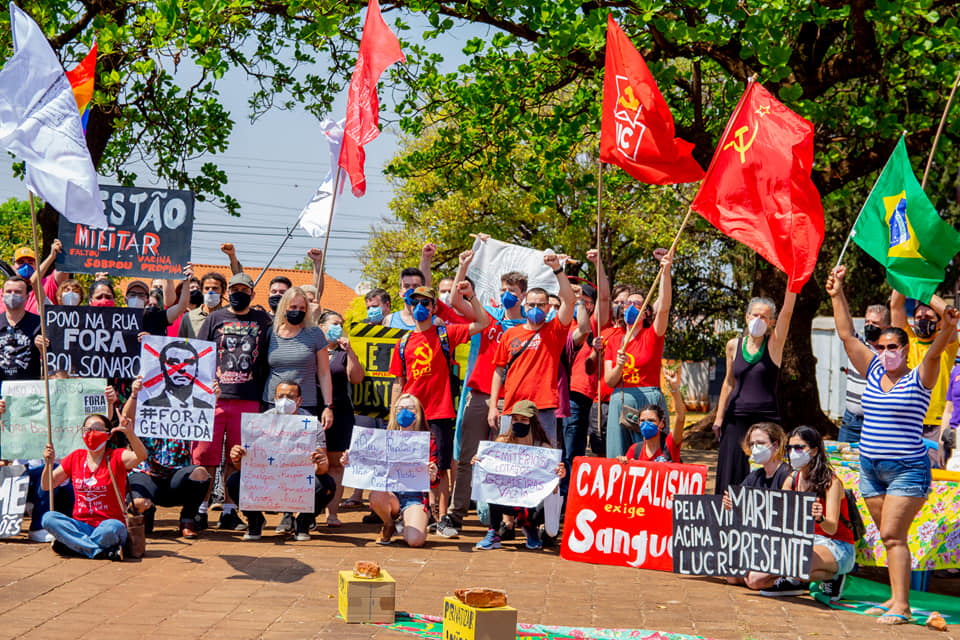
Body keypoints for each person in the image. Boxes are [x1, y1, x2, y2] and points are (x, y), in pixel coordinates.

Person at [828, 265, 955, 624]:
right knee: (890, 541)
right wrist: (837, 293)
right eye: (881, 346)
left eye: (893, 346)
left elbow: (941, 340)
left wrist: (943, 315)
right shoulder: (871, 370)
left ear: (905, 348)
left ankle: (901, 605)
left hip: (907, 469)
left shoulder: (921, 374)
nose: (885, 352)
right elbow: (846, 335)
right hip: (870, 468)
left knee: (891, 533)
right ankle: (896, 601)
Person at [439, 267, 528, 539]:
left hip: (512, 399)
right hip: (479, 394)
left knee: (508, 461)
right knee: (466, 457)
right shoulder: (489, 316)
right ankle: (455, 515)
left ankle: (506, 521)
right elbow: (455, 301)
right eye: (503, 290)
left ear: (523, 295)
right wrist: (463, 266)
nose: (507, 296)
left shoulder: (529, 326)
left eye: (512, 292)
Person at [389, 279, 488, 521]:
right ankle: (412, 511)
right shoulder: (402, 343)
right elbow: (398, 383)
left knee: (441, 468)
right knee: (409, 465)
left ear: (434, 308)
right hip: (411, 415)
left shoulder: (447, 334)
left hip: (440, 411)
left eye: (425, 303)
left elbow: (483, 323)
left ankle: (442, 516)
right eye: (415, 303)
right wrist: (393, 415)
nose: (419, 307)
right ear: (409, 307)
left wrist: (471, 297)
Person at [194, 272, 273, 530]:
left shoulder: (264, 320)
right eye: (235, 289)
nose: (240, 293)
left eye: (245, 289)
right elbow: (198, 353)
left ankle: (229, 510)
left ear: (252, 293)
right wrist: (205, 384)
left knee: (237, 457)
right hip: (213, 399)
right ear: (229, 292)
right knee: (205, 454)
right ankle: (201, 508)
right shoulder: (215, 318)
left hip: (248, 398)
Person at [743, 426, 856, 603]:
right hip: (802, 542)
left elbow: (832, 528)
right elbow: (779, 517)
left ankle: (831, 575)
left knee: (797, 563)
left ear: (814, 450)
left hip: (836, 545)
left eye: (799, 448)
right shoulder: (792, 479)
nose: (793, 453)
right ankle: (799, 579)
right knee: (754, 580)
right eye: (790, 448)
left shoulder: (831, 483)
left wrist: (820, 518)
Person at [227, 381, 336, 541]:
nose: (285, 400)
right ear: (275, 398)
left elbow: (323, 468)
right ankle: (254, 520)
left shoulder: (312, 425)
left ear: (299, 400)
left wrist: (320, 462)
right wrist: (236, 457)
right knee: (234, 481)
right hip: (266, 478)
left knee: (326, 485)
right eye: (281, 396)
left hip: (297, 479)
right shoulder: (260, 421)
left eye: (291, 397)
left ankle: (303, 522)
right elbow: (244, 465)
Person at [713, 288, 796, 495]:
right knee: (731, 473)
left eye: (764, 317)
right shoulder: (733, 345)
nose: (758, 320)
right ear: (747, 317)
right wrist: (719, 418)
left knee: (768, 471)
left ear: (771, 322)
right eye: (755, 315)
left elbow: (787, 313)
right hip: (736, 418)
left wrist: (793, 286)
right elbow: (728, 383)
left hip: (766, 419)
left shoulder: (774, 345)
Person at [488, 252, 576, 446]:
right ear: (524, 306)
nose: (535, 308)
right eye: (532, 304)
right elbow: (498, 370)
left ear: (548, 308)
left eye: (541, 305)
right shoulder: (511, 334)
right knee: (508, 459)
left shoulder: (555, 330)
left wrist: (557, 269)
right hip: (513, 407)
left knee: (544, 459)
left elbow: (570, 301)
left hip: (543, 408)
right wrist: (493, 407)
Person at [40, 413, 147, 559]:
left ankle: (76, 546)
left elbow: (141, 456)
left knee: (111, 529)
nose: (91, 434)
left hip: (109, 525)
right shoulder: (76, 457)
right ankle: (99, 551)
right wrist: (48, 463)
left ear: (108, 435)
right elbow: (47, 485)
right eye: (87, 429)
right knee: (49, 518)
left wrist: (129, 433)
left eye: (97, 429)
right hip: (81, 526)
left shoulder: (116, 456)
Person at [343, 393, 438, 547]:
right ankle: (389, 524)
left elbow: (435, 481)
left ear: (418, 412)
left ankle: (405, 524)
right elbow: (366, 464)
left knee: (415, 541)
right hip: (390, 495)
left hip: (414, 497)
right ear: (394, 412)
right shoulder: (382, 438)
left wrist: (433, 476)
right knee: (376, 494)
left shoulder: (427, 441)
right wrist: (350, 460)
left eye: (409, 408)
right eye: (400, 408)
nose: (404, 411)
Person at [125, 377, 214, 539]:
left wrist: (213, 396)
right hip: (147, 474)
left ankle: (188, 519)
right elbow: (127, 418)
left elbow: (204, 416)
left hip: (176, 479)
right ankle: (145, 513)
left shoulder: (185, 411)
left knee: (201, 474)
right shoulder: (145, 408)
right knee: (138, 503)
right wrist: (134, 394)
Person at [604, 252, 673, 459]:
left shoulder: (652, 335)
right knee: (618, 456)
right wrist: (619, 365)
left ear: (646, 313)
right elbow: (609, 380)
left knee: (651, 454)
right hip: (621, 398)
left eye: (638, 304)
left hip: (648, 398)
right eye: (627, 304)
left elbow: (664, 307)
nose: (631, 307)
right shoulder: (615, 340)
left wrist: (666, 271)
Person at [474, 400, 566, 550]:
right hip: (507, 498)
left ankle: (530, 527)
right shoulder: (502, 442)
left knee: (544, 503)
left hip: (532, 503)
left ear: (533, 422)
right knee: (493, 487)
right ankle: (494, 532)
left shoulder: (543, 448)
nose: (518, 423)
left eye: (524, 420)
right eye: (515, 419)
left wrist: (558, 477)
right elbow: (489, 473)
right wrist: (479, 461)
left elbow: (553, 489)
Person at [891, 290, 959, 468]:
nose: (922, 320)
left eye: (928, 317)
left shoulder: (947, 344)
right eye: (918, 316)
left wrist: (923, 291)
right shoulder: (908, 342)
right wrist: (902, 273)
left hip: (937, 426)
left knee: (936, 481)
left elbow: (949, 313)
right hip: (909, 422)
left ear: (939, 323)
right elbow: (896, 306)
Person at [317, 310, 365, 527]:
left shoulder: (343, 353)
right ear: (322, 327)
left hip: (341, 413)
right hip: (313, 410)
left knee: (337, 465)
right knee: (313, 461)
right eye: (335, 323)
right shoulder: (313, 349)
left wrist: (351, 352)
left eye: (341, 324)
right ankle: (309, 512)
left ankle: (332, 513)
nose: (339, 327)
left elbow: (356, 378)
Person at [264, 286, 334, 423]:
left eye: (302, 308)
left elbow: (324, 373)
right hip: (272, 403)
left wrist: (328, 406)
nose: (298, 311)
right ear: (284, 308)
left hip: (305, 404)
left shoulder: (315, 334)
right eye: (293, 307)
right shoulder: (271, 332)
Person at [839, 305, 890, 443]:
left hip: (876, 424)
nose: (870, 326)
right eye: (867, 322)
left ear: (886, 327)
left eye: (875, 323)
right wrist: (837, 294)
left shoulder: (891, 353)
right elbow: (845, 329)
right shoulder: (859, 345)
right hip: (851, 421)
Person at [616, 367, 684, 463]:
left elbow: (680, 417)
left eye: (651, 420)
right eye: (642, 421)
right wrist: (623, 463)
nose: (646, 424)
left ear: (661, 424)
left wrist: (674, 386)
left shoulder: (669, 445)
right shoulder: (635, 450)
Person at [142, 341, 213, 408]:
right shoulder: (149, 405)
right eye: (173, 363)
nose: (182, 369)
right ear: (162, 368)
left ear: (197, 370)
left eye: (189, 363)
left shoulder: (206, 408)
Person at [0, 275, 42, 382]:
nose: (12, 295)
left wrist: (43, 349)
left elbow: (52, 360)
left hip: (29, 393)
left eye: (18, 292)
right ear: (2, 295)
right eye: (8, 292)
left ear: (27, 297)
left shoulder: (39, 324)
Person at [179, 272, 227, 339]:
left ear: (223, 291)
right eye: (207, 288)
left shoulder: (228, 317)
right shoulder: (188, 317)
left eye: (215, 288)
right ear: (201, 291)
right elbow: (183, 344)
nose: (210, 292)